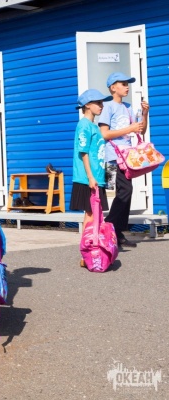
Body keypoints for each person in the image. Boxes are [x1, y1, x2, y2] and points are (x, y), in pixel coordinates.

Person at [98, 72, 148, 249]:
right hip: (111, 157)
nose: (127, 87)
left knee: (125, 192)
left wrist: (144, 114)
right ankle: (109, 226)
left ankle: (117, 233)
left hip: (127, 157)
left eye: (128, 84)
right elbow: (104, 134)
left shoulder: (128, 107)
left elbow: (140, 130)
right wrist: (130, 128)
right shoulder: (108, 107)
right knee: (122, 190)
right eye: (123, 84)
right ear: (113, 87)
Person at [69, 89, 112, 266]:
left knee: (96, 214)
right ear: (87, 105)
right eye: (98, 103)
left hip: (98, 177)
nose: (101, 106)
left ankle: (94, 248)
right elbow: (84, 152)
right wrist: (90, 177)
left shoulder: (94, 126)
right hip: (87, 178)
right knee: (90, 213)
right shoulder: (84, 125)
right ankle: (86, 252)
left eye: (102, 103)